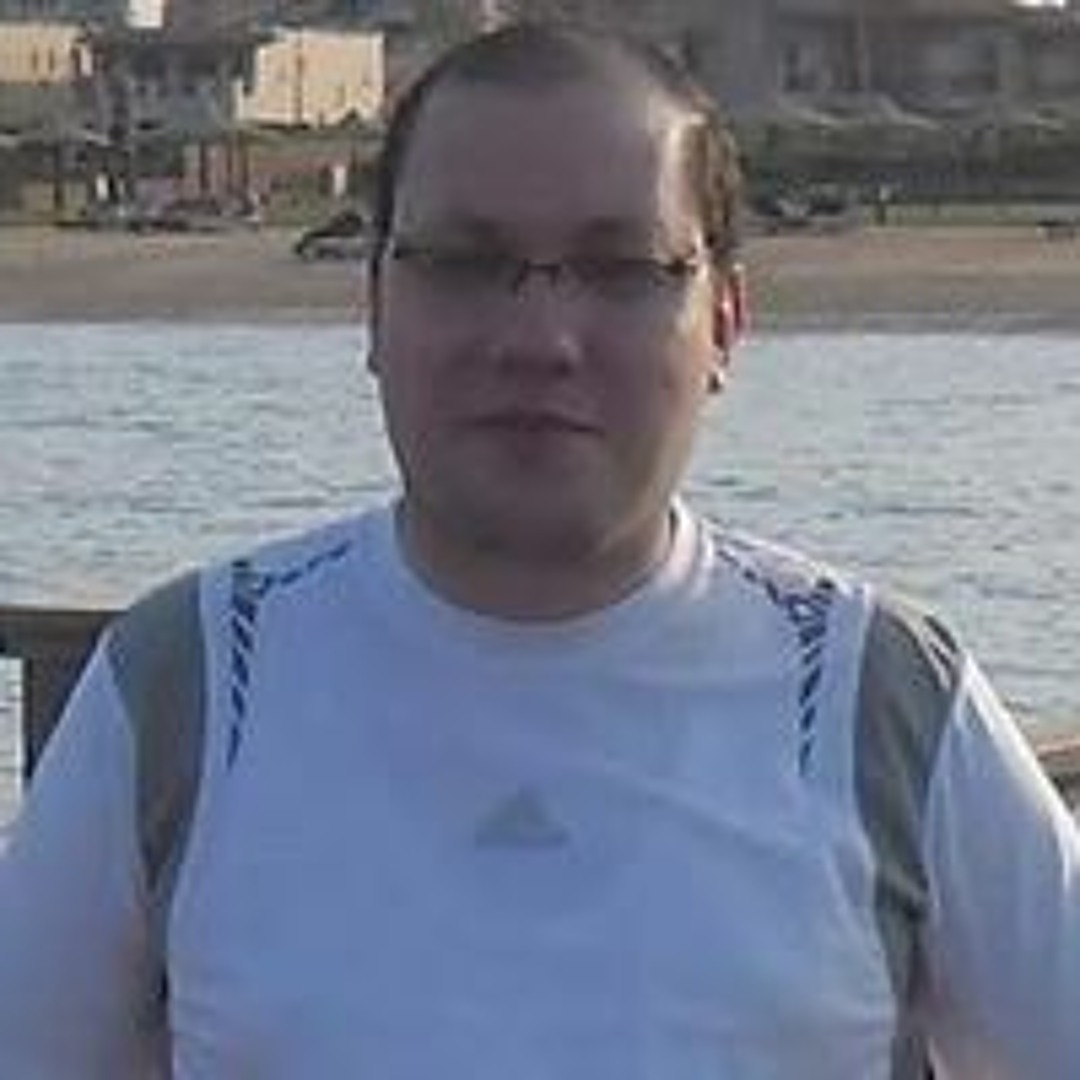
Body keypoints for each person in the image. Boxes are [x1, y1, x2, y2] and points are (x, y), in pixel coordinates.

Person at [1, 21, 1078, 1079]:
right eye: (464, 264)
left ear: (723, 324)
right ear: (374, 306)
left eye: (620, 269)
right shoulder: (191, 687)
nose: (538, 341)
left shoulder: (876, 698)